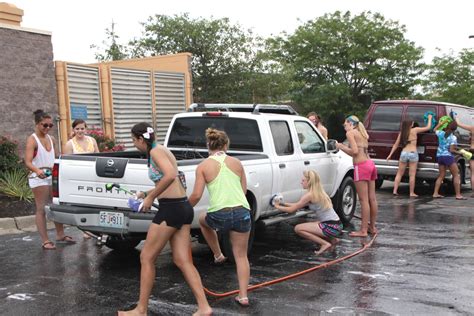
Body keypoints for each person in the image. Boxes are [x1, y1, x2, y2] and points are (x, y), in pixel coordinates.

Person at [118, 122, 212, 316]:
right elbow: (170, 181)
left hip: (171, 210)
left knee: (146, 257)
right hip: (182, 207)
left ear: (139, 139)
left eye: (133, 140)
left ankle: (141, 310)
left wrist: (152, 197)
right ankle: (204, 307)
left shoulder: (155, 153)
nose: (134, 144)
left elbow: (170, 175)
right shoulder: (162, 150)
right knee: (182, 260)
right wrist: (146, 193)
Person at [189, 128, 252, 307]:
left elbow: (196, 195)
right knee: (241, 256)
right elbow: (244, 191)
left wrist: (184, 209)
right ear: (226, 145)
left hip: (219, 214)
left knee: (202, 220)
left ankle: (218, 254)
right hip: (241, 211)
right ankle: (243, 296)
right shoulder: (237, 163)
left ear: (208, 146)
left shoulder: (203, 166)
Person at [24, 109, 75, 250]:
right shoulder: (32, 139)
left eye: (50, 125)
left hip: (52, 176)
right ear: (37, 124)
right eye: (44, 125)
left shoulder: (51, 139)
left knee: (56, 205)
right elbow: (28, 161)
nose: (47, 128)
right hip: (38, 178)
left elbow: (57, 157)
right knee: (41, 209)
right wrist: (37, 170)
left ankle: (60, 234)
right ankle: (45, 240)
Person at [273, 170, 342, 255]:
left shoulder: (309, 195)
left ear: (309, 182)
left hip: (331, 227)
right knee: (316, 223)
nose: (301, 182)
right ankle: (333, 240)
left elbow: (292, 210)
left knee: (298, 228)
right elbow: (297, 205)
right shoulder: (318, 192)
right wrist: (282, 203)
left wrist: (276, 206)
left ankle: (324, 244)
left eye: (303, 180)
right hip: (337, 225)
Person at [336, 115, 378, 237]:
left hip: (361, 166)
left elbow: (354, 151)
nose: (344, 127)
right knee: (372, 198)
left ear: (350, 123)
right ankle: (372, 227)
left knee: (363, 200)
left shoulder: (351, 133)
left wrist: (341, 146)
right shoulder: (363, 133)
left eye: (345, 124)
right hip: (370, 164)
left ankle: (363, 230)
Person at [64, 119, 99, 239]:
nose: (80, 131)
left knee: (95, 203)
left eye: (82, 128)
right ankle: (86, 230)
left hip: (94, 176)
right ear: (73, 130)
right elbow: (66, 163)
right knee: (83, 205)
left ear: (86, 129)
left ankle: (96, 229)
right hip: (78, 178)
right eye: (77, 129)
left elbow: (99, 156)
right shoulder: (70, 144)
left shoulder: (92, 140)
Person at [386, 115, 433, 197]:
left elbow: (395, 145)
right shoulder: (415, 130)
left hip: (404, 153)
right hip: (412, 153)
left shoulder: (402, 133)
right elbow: (428, 127)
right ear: (411, 124)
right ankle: (411, 193)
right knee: (412, 175)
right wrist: (430, 118)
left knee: (399, 173)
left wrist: (390, 155)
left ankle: (395, 190)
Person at [432, 120, 467, 200]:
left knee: (441, 175)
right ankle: (458, 195)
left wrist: (440, 123)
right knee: (456, 175)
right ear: (454, 129)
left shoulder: (441, 133)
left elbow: (434, 130)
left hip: (440, 156)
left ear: (447, 126)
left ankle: (435, 193)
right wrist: (460, 153)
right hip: (448, 157)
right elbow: (451, 150)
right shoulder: (453, 137)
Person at [454, 116, 474, 196]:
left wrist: (456, 117)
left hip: (472, 150)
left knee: (473, 173)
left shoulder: (472, 128)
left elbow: (458, 124)